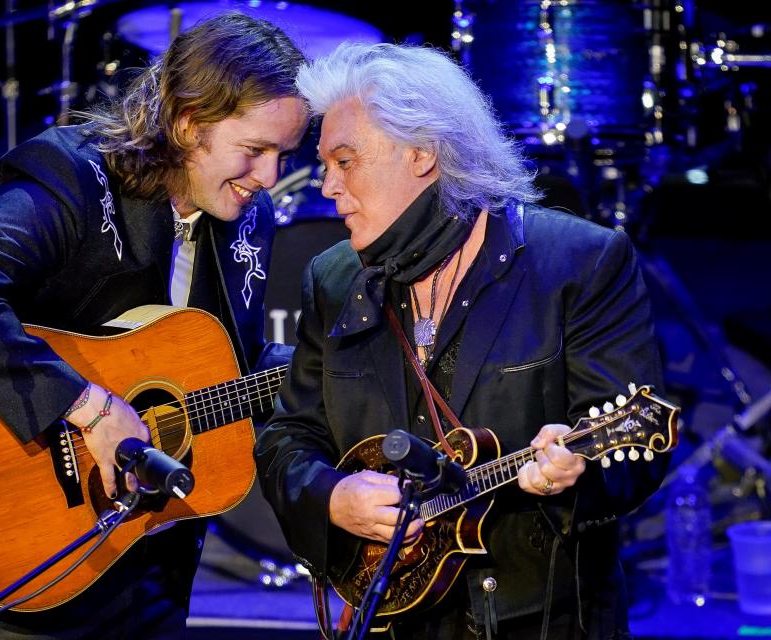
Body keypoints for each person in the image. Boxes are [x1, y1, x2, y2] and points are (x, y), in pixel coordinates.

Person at [0, 12, 308, 639]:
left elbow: (232, 367)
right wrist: (90, 407)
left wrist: (330, 368)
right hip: (26, 549)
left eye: (282, 155)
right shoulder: (70, 178)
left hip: (151, 561)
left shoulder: (246, 221)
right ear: (188, 126)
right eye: (254, 151)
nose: (269, 179)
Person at [254, 43, 669, 639]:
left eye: (345, 161)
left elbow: (639, 458)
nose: (327, 186)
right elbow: (288, 438)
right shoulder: (334, 277)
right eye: (326, 164)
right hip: (385, 620)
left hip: (541, 622)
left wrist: (579, 470)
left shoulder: (578, 263)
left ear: (422, 153)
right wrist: (333, 497)